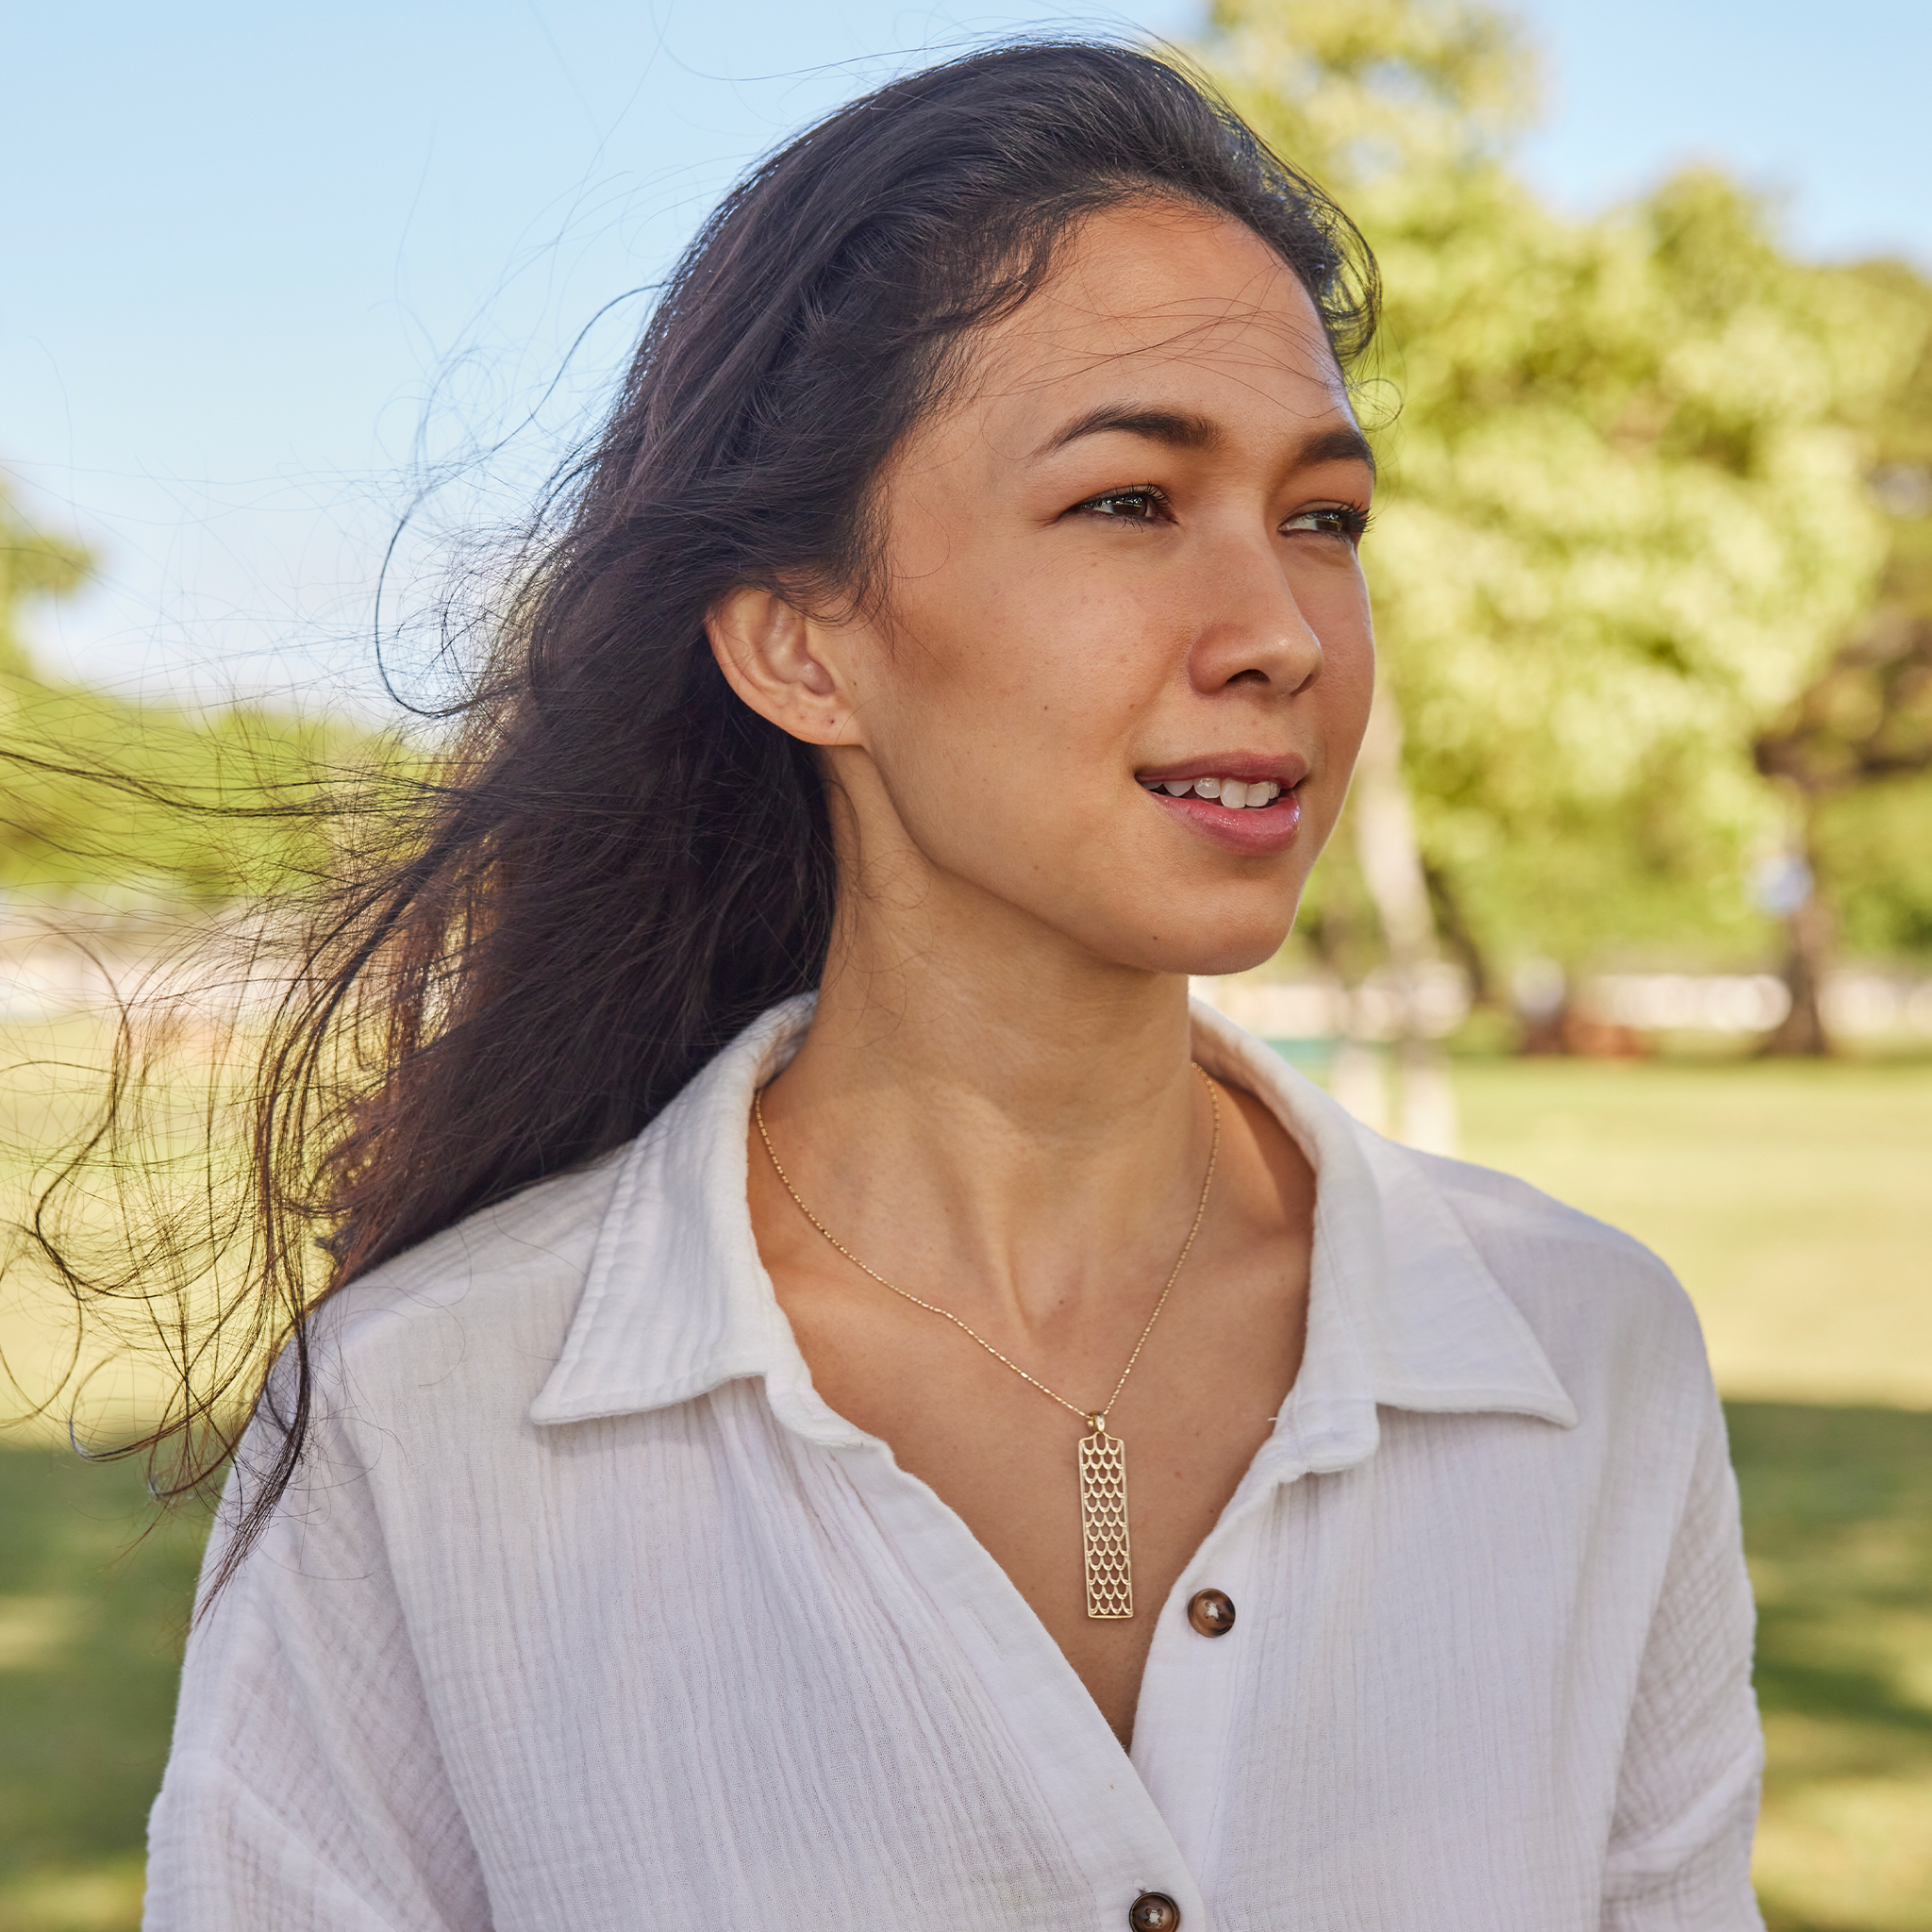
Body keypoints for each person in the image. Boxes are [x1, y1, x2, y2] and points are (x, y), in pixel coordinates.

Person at [141, 41, 1763, 1931]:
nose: (1278, 634)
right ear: (801, 643)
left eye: (1322, 517)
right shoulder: (420, 1432)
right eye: (1129, 503)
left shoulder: (1584, 1359)